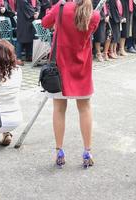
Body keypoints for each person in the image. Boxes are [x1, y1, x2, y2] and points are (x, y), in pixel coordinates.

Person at [42, 0, 100, 168]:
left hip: (60, 69)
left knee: (59, 109)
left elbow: (45, 23)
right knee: (85, 108)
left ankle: (59, 151)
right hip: (82, 68)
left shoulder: (61, 8)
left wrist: (56, 9)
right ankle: (87, 152)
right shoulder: (94, 15)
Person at [16, 0, 41, 66]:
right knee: (21, 39)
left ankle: (29, 55)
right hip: (23, 19)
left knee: (30, 37)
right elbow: (24, 4)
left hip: (30, 20)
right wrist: (34, 13)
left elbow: (37, 3)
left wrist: (37, 12)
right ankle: (18, 58)